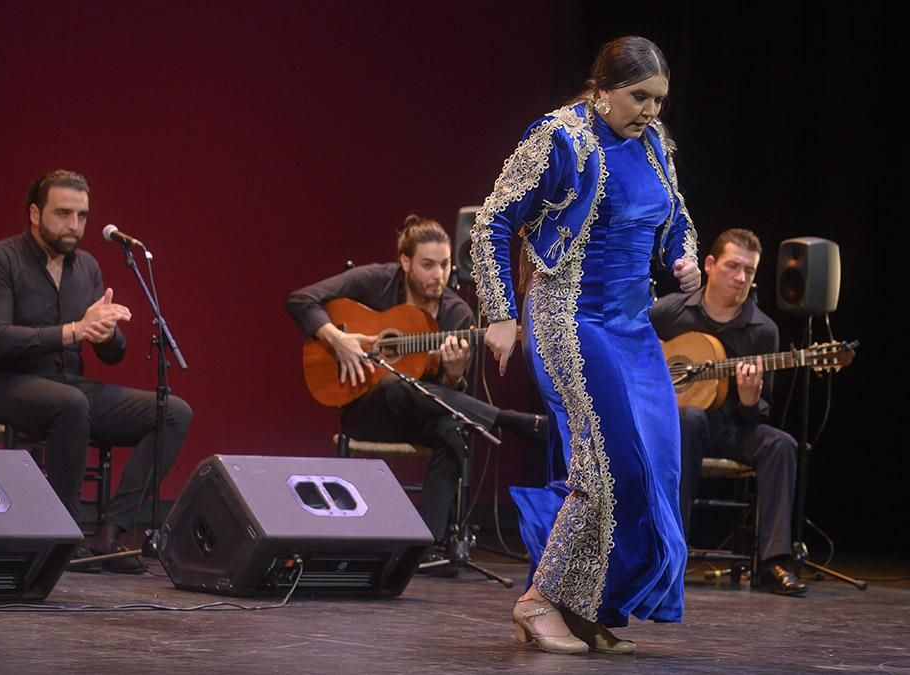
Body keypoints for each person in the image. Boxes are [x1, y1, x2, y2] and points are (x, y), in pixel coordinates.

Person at [472, 36, 700, 655]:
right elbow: (494, 219)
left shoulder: (655, 145)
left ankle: (587, 605)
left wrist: (684, 258)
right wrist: (498, 314)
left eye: (659, 99)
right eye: (638, 97)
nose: (651, 110)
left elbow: (676, 217)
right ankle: (539, 600)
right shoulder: (560, 138)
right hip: (572, 320)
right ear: (600, 90)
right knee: (606, 467)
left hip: (632, 327)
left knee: (656, 468)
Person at [284, 214, 546, 568]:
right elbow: (301, 300)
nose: (438, 275)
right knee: (395, 385)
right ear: (405, 262)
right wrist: (339, 338)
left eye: (445, 264)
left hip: (422, 415)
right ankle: (509, 420)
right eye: (427, 265)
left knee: (453, 433)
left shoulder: (456, 313)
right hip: (368, 411)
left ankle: (420, 549)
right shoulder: (377, 282)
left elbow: (442, 397)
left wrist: (453, 375)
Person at [0, 169, 193, 574]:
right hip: (0, 387)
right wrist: (73, 331)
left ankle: (111, 532)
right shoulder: (0, 260)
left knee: (172, 410)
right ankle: (64, 534)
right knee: (69, 403)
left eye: (82, 216)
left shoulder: (85, 266)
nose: (74, 226)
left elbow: (112, 355)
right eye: (63, 213)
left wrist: (105, 334)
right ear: (35, 214)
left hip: (68, 388)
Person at [650, 228, 806, 595]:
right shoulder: (670, 312)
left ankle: (773, 563)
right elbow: (632, 350)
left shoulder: (762, 330)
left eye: (749, 271)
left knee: (781, 444)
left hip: (734, 427)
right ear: (709, 265)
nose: (740, 278)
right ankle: (672, 548)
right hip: (683, 428)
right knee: (689, 418)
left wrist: (750, 400)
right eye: (733, 266)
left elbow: (759, 414)